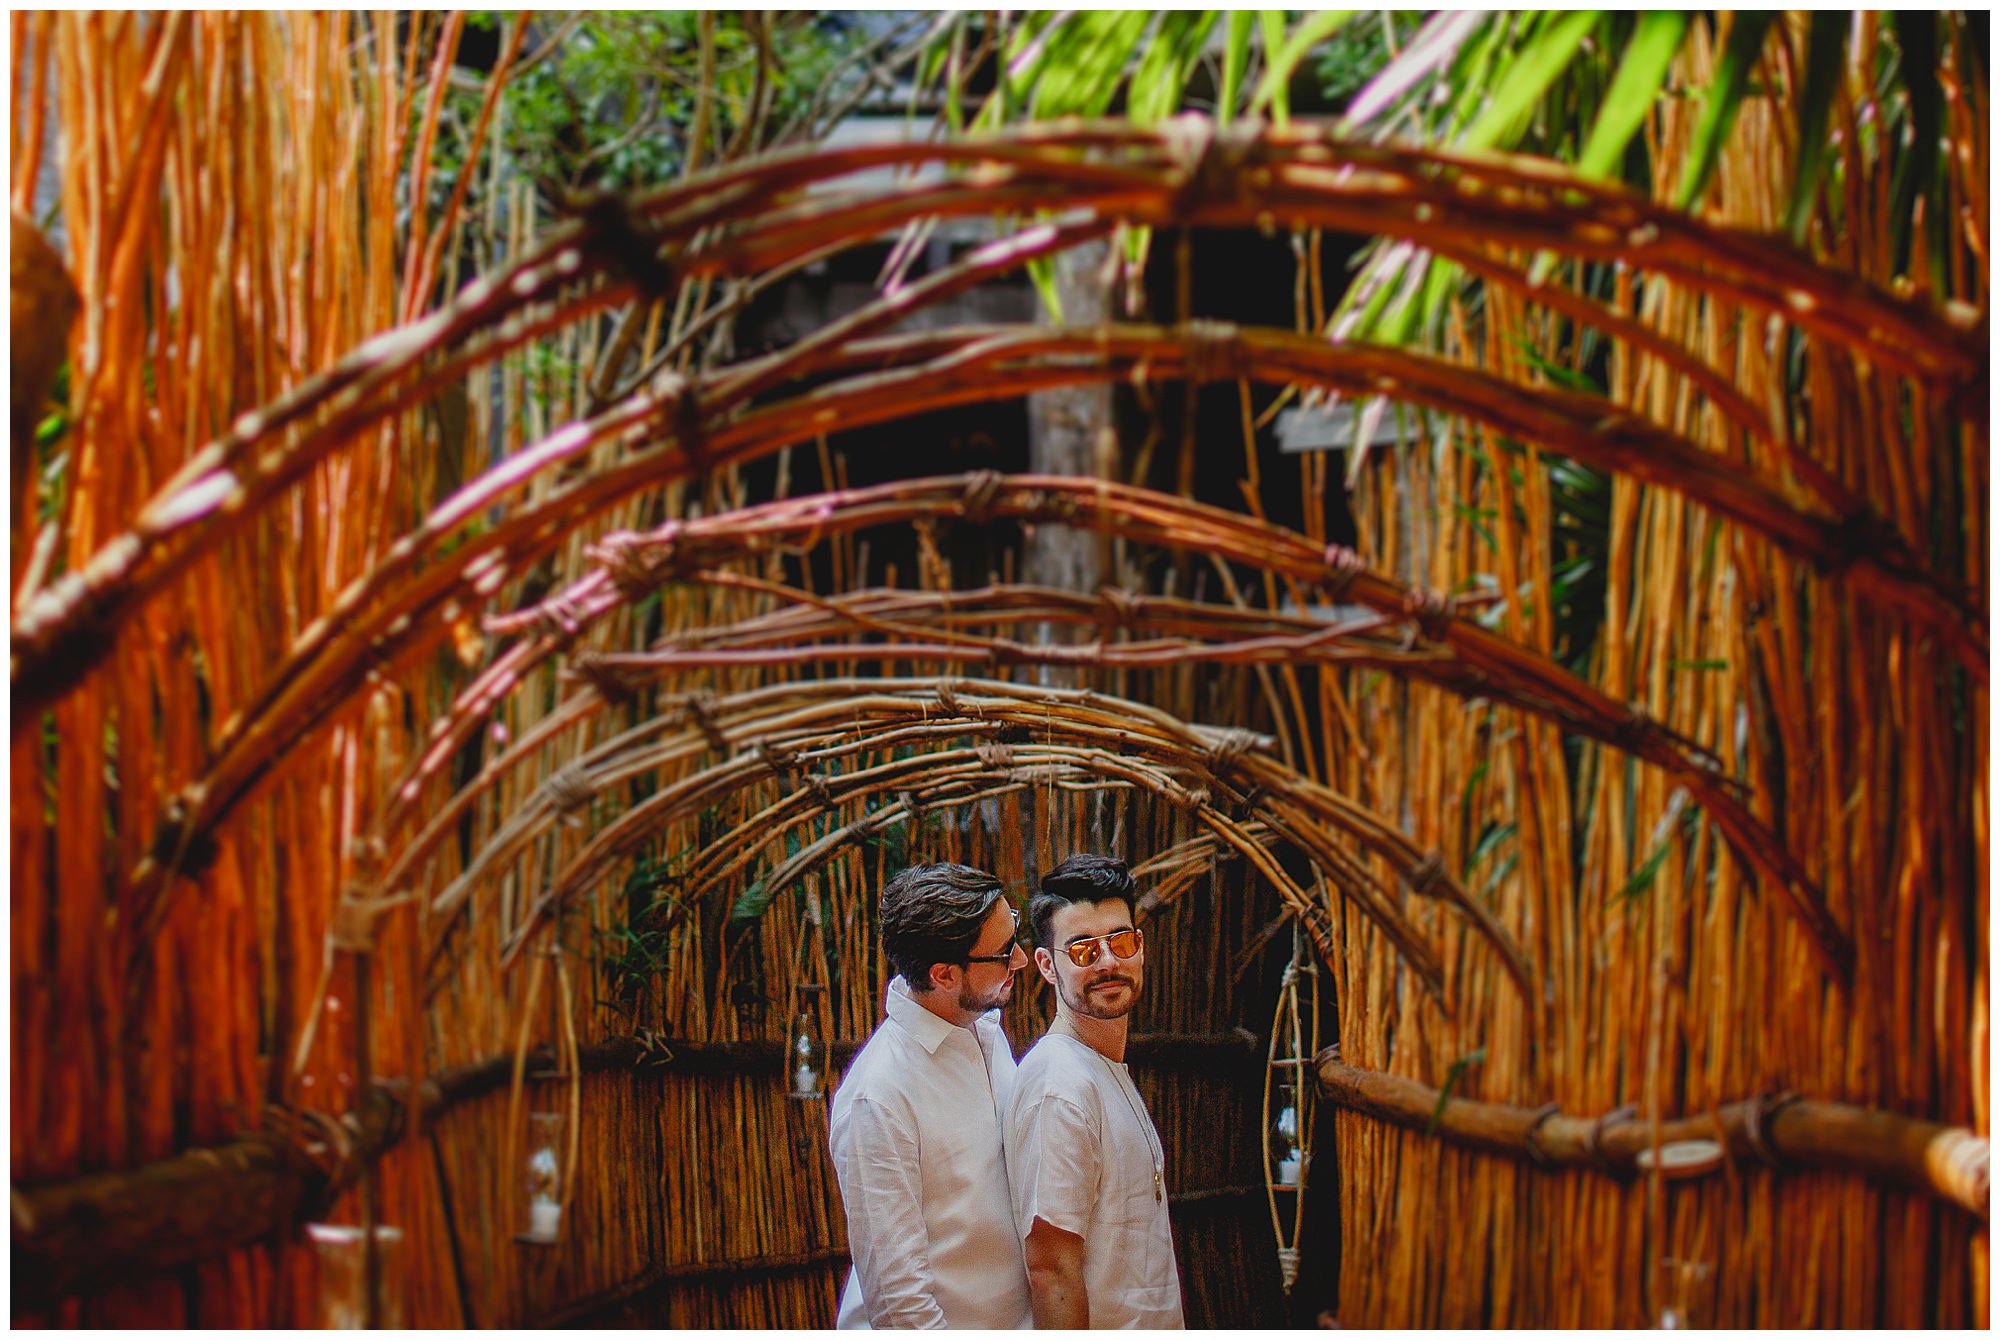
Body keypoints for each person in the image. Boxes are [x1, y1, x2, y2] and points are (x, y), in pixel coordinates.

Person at [828, 861, 1035, 1329]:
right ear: (944, 975)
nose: (1021, 959)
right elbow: (900, 1307)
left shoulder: (985, 1032)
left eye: (1015, 931)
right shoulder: (877, 1098)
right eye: (1004, 951)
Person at [1004, 853, 1185, 1329]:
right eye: (1083, 950)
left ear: (1140, 946)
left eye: (1120, 941)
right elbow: (1050, 1269)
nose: (1107, 962)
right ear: (1046, 965)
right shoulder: (1059, 1086)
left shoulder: (1101, 1069)